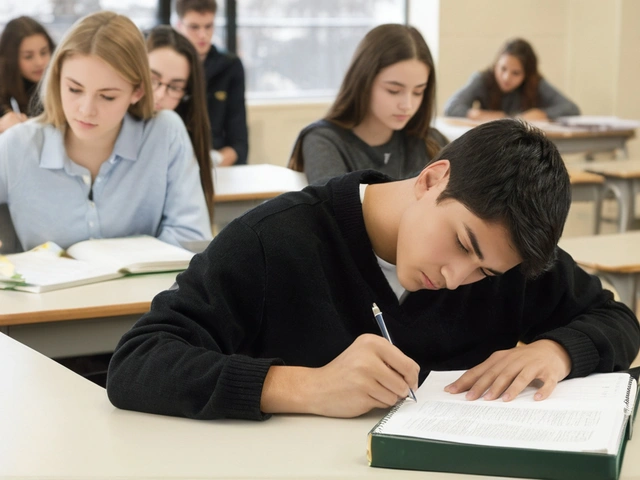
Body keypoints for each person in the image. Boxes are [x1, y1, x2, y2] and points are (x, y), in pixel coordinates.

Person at [107, 119, 639, 421]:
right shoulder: (276, 240)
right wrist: (301, 387)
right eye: (460, 243)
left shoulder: (503, 257)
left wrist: (559, 350)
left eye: (485, 273)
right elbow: (137, 362)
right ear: (433, 179)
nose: (457, 278)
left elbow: (616, 320)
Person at [0, 11, 211, 252]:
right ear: (57, 79)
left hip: (145, 291)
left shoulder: (164, 133)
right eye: (74, 89)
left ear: (138, 92)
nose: (86, 110)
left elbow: (191, 240)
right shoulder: (16, 145)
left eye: (107, 96)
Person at [288, 24, 448, 186]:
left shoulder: (431, 141)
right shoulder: (323, 140)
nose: (407, 105)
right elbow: (336, 208)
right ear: (364, 82)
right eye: (393, 91)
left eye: (418, 92)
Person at [146, 25, 214, 221]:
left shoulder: (176, 133)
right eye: (152, 79)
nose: (160, 95)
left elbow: (190, 230)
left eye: (175, 87)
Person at [175, 0, 248, 166]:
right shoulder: (169, 67)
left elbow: (239, 143)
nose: (202, 35)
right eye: (194, 27)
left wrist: (213, 161)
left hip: (216, 164)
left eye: (208, 26)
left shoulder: (230, 66)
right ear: (179, 25)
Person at [444, 38, 580, 122]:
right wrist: (475, 114)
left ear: (527, 74)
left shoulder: (536, 84)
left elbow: (572, 108)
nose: (506, 77)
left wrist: (543, 114)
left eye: (516, 73)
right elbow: (451, 107)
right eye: (503, 69)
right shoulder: (483, 79)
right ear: (496, 64)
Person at [0, 16, 55, 133]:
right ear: (11, 59)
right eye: (28, 56)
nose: (39, 62)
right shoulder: (3, 86)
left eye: (44, 52)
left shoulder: (61, 82)